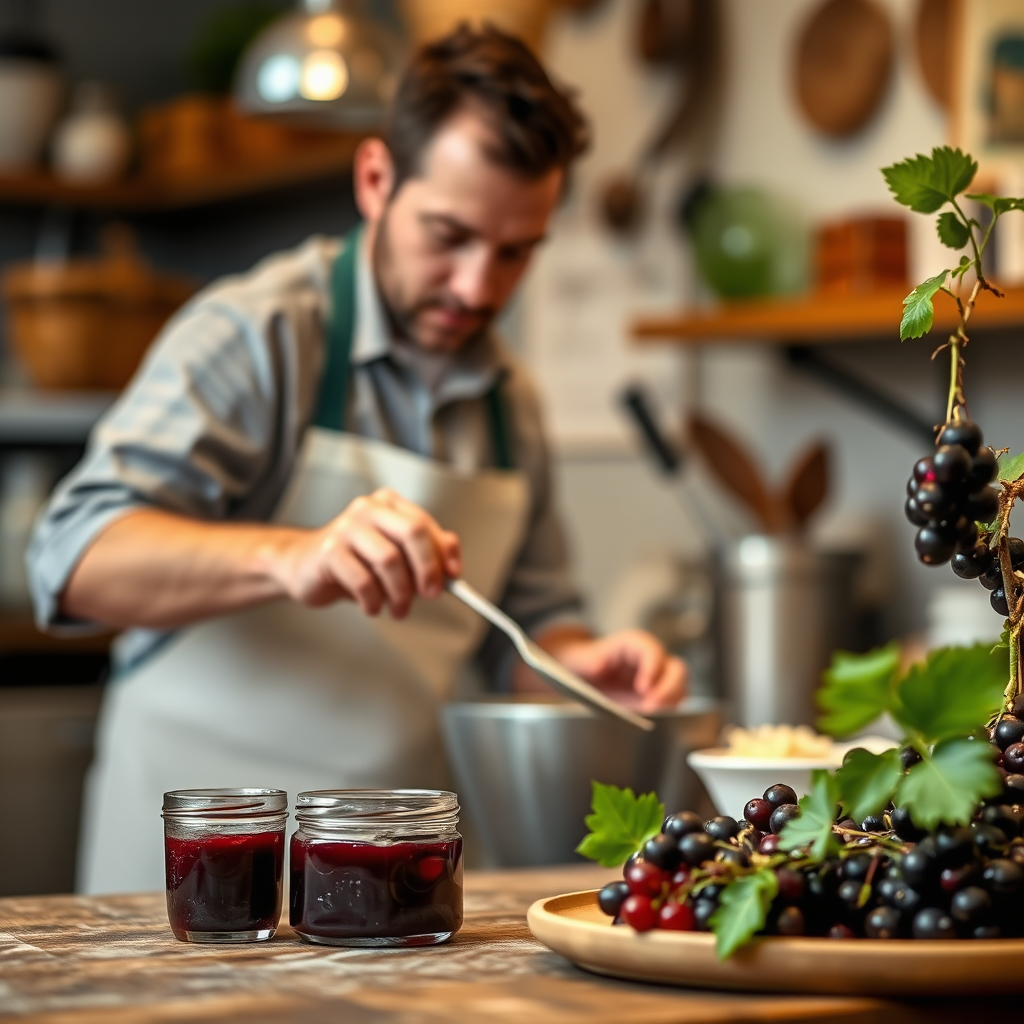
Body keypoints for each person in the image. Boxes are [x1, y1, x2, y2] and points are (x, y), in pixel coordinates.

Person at [27, 25, 686, 894]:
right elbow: (72, 557)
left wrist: (578, 663)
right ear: (376, 180)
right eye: (448, 235)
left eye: (516, 251)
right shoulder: (258, 334)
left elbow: (521, 629)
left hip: (391, 879)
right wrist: (291, 554)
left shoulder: (510, 402)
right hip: (190, 882)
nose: (477, 288)